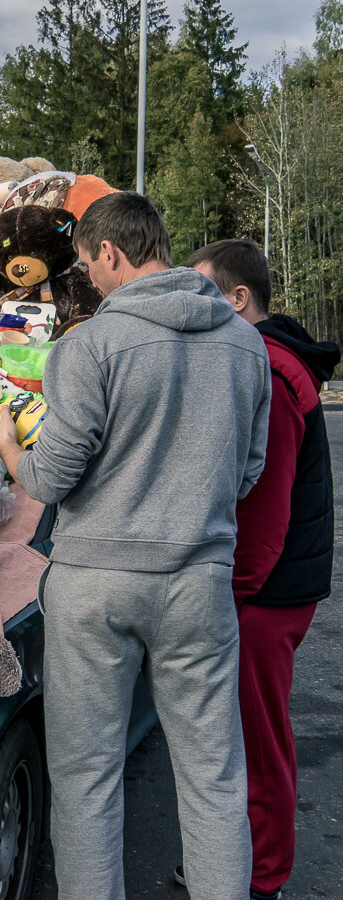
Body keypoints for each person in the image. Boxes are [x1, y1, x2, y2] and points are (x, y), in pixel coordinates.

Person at [0, 192, 271, 900]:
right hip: (199, 581)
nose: (86, 276)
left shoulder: (91, 345)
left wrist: (6, 450)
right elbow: (249, 471)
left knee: (86, 775)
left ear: (109, 254)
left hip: (95, 585)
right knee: (213, 776)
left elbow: (53, 475)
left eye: (85, 265)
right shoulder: (245, 344)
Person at [184, 239, 339, 900]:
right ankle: (231, 862)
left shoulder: (269, 370)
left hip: (267, 592)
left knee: (256, 738)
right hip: (268, 584)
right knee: (233, 737)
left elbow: (267, 507)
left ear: (238, 299)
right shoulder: (266, 359)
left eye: (203, 294)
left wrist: (231, 594)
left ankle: (263, 876)